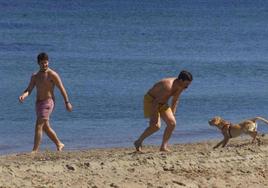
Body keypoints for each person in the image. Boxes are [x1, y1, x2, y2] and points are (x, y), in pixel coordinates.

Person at [19, 52, 72, 153]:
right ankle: (59, 143)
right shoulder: (35, 76)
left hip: (48, 102)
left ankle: (35, 150)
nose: (45, 65)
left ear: (48, 62)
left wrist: (67, 102)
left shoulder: (52, 74)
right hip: (38, 104)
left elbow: (62, 88)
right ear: (38, 63)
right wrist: (23, 96)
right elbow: (29, 90)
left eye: (46, 62)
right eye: (42, 63)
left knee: (38, 125)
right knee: (45, 127)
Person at [134, 70, 193, 152]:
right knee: (155, 126)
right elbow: (155, 102)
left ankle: (163, 147)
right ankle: (138, 141)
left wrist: (172, 114)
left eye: (188, 84)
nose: (187, 87)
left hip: (162, 103)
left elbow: (175, 100)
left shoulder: (181, 86)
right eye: (186, 84)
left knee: (172, 123)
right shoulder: (168, 86)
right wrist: (154, 117)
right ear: (181, 80)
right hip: (151, 101)